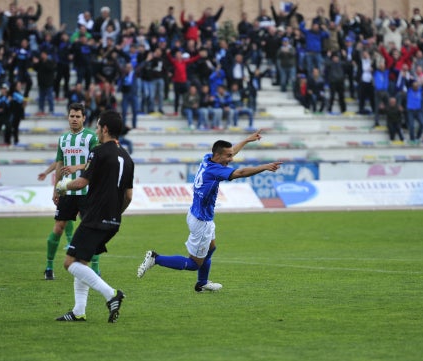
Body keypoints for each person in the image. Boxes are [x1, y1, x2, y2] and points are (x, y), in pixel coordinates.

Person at [136, 129, 282, 292]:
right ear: (218, 156)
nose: (231, 159)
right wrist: (265, 166)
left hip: (196, 213)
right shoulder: (216, 171)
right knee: (193, 264)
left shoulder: (208, 159)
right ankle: (156, 259)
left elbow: (229, 151)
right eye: (228, 156)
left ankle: (202, 283)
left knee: (211, 248)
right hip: (201, 221)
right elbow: (240, 172)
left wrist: (247, 140)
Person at [54, 109, 134, 323]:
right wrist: (116, 214)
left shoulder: (98, 152)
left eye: (98, 127)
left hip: (95, 217)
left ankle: (112, 295)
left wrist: (62, 187)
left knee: (69, 263)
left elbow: (81, 182)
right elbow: (128, 195)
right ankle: (79, 311)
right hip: (113, 221)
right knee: (82, 260)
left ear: (105, 129)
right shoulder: (127, 158)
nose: (96, 130)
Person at [43, 103, 100, 281]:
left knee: (91, 229)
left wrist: (78, 166)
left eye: (77, 116)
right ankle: (49, 266)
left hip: (86, 191)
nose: (74, 119)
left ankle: (96, 269)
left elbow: (97, 162)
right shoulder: (63, 139)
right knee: (58, 228)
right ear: (68, 117)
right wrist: (56, 189)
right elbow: (59, 164)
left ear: (84, 118)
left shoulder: (91, 137)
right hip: (67, 192)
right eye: (71, 116)